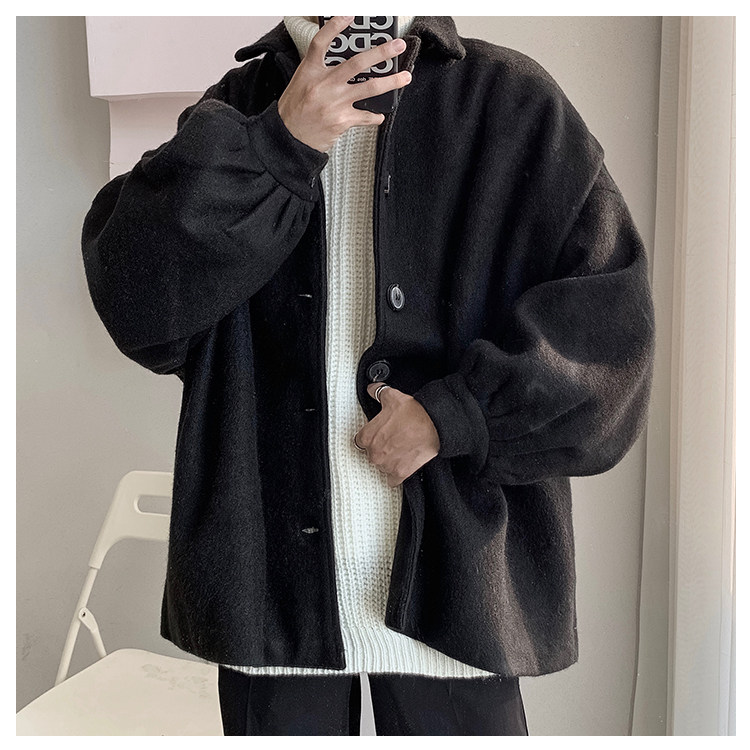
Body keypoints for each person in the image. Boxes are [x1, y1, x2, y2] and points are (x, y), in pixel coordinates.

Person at [80, 15, 655, 736]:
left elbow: (610, 329)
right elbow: (138, 304)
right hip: (271, 599)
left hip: (459, 593)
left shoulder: (509, 102)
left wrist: (457, 416)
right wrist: (280, 144)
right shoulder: (241, 106)